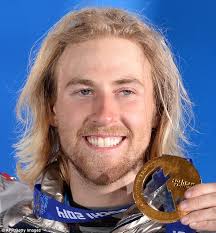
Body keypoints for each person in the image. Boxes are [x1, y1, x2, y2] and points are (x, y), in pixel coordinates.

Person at [0, 7, 215, 233]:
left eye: (126, 92)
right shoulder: (7, 216)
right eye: (84, 91)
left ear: (157, 111)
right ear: (51, 110)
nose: (104, 115)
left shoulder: (200, 225)